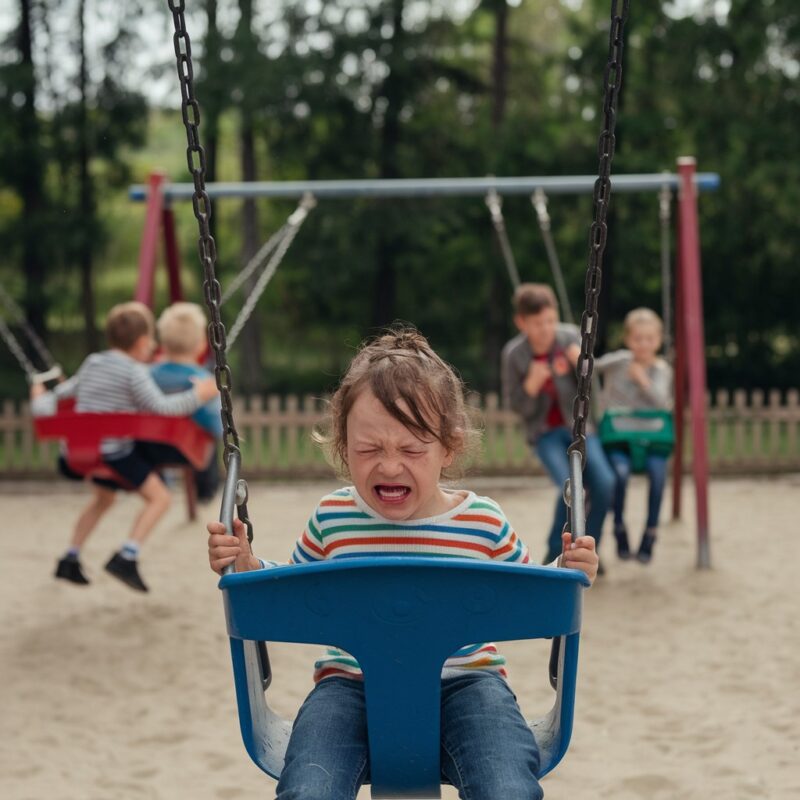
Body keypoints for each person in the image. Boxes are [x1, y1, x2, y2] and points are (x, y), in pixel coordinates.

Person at [207, 326, 598, 800]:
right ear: (342, 447)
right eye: (369, 449)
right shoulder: (333, 519)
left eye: (411, 450)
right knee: (308, 788)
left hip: (469, 685)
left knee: (508, 786)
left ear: (448, 448)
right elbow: (297, 592)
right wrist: (246, 566)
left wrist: (569, 570)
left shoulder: (482, 521)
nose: (390, 466)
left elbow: (531, 595)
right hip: (347, 687)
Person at [31, 301, 218, 592]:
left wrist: (38, 396)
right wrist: (199, 393)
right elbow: (163, 408)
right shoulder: (134, 372)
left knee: (103, 499)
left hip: (78, 454)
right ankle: (127, 556)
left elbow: (54, 401)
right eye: (151, 341)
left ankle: (70, 558)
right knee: (161, 498)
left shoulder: (92, 362)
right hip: (116, 455)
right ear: (143, 342)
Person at [501, 283, 616, 566]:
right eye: (537, 323)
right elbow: (518, 408)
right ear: (521, 323)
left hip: (580, 429)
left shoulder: (568, 339)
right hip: (545, 434)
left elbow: (592, 389)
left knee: (604, 484)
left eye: (550, 321)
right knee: (571, 488)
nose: (546, 329)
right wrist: (530, 386)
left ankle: (590, 550)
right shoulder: (514, 354)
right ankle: (556, 552)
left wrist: (580, 367)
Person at [594, 308, 673, 564]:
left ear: (658, 340)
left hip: (653, 442)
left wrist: (643, 381)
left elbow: (662, 401)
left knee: (659, 475)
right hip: (619, 438)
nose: (644, 344)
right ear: (628, 340)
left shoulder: (661, 369)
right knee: (620, 473)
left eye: (650, 339)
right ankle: (619, 527)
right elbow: (589, 367)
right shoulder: (619, 361)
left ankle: (650, 533)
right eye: (638, 338)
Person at [150, 302, 222, 501]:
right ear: (201, 346)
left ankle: (162, 480)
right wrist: (219, 431)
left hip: (152, 446)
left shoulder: (148, 375)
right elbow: (214, 419)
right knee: (210, 441)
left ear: (162, 345)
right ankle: (206, 492)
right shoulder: (203, 381)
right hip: (187, 450)